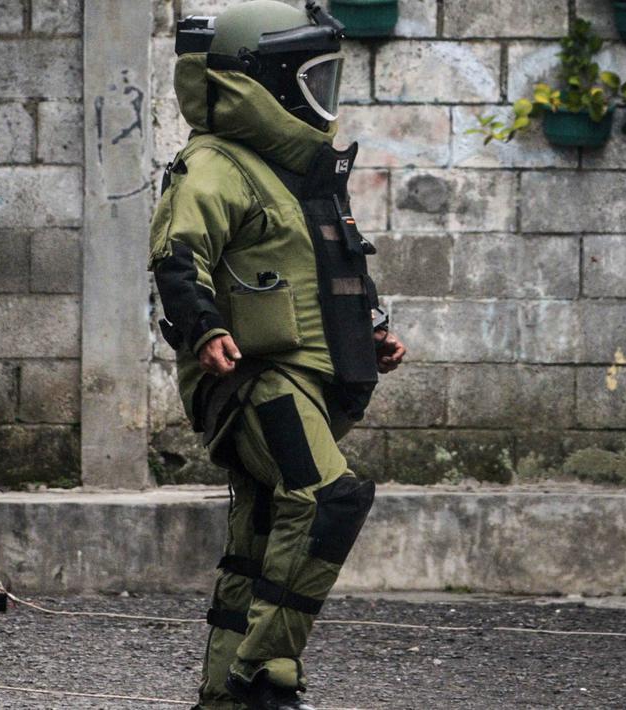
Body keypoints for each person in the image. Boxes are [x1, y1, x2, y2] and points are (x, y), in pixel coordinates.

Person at [147, 3, 406, 709]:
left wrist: (372, 329)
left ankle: (222, 695)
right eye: (310, 76)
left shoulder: (298, 172)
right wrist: (203, 329)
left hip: (302, 375)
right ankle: (263, 676)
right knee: (328, 497)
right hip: (253, 377)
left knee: (262, 535)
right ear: (263, 81)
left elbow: (329, 265)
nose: (324, 92)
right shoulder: (215, 164)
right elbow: (177, 255)